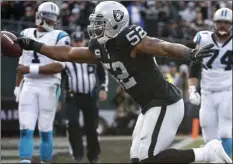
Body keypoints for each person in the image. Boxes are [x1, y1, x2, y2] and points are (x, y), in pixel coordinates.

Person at [14, 1, 232, 163]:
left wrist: (189, 53)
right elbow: (68, 53)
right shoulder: (99, 47)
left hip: (165, 102)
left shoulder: (130, 40)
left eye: (101, 23)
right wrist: (34, 45)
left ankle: (206, 153)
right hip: (149, 106)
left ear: (116, 24)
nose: (95, 27)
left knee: (148, 159)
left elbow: (161, 45)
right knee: (137, 160)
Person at [13, 2, 70, 163]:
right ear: (39, 17)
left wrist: (30, 69)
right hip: (29, 85)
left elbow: (59, 65)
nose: (51, 22)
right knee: (25, 128)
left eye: (53, 18)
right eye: (48, 18)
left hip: (49, 86)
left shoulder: (61, 36)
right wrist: (17, 86)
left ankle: (45, 161)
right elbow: (21, 64)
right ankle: (24, 161)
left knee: (45, 129)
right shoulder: (26, 33)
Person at [189, 7, 232, 157]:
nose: (223, 25)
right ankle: (216, 160)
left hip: (228, 91)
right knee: (208, 134)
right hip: (207, 92)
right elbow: (194, 64)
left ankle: (223, 159)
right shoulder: (204, 38)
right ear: (214, 23)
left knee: (226, 130)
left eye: (226, 23)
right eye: (220, 22)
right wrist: (192, 88)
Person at [63, 31, 108, 163]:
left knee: (92, 127)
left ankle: (93, 156)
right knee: (73, 124)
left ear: (84, 41)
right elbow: (60, 76)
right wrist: (58, 95)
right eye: (75, 41)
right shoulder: (66, 57)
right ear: (72, 41)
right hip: (72, 96)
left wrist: (104, 88)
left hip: (90, 96)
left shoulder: (92, 55)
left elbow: (102, 73)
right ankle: (77, 155)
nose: (77, 43)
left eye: (80, 41)